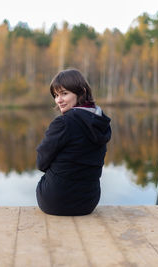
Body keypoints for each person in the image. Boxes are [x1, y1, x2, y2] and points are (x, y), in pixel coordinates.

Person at [36, 68, 111, 216]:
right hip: (88, 203)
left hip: (55, 201)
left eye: (64, 93)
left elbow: (41, 162)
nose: (59, 100)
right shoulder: (101, 122)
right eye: (56, 95)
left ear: (81, 92)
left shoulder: (63, 123)